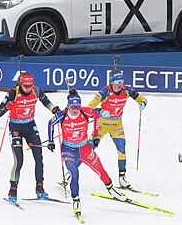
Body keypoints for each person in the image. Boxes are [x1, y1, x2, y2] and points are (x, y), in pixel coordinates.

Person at [47, 89, 128, 217]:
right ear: (68, 106)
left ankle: (111, 189)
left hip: (85, 148)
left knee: (100, 170)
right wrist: (51, 141)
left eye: (78, 106)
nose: (75, 109)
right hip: (69, 150)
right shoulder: (62, 115)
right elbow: (50, 123)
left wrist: (96, 135)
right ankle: (76, 200)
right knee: (74, 173)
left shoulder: (84, 112)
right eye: (73, 107)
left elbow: (96, 114)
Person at [0, 72, 59, 202]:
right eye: (25, 86)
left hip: (30, 127)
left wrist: (54, 109)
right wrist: (7, 107)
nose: (28, 88)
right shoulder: (13, 93)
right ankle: (12, 190)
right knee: (19, 160)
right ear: (20, 84)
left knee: (38, 157)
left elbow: (46, 101)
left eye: (30, 85)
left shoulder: (36, 90)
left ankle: (40, 189)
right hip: (16, 128)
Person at [86, 69, 147, 188]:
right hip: (102, 124)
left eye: (121, 81)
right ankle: (69, 175)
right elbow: (89, 108)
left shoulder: (127, 90)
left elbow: (142, 99)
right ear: (111, 82)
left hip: (117, 125)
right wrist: (101, 111)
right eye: (117, 81)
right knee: (88, 149)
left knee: (121, 149)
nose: (120, 84)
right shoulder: (105, 92)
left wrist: (142, 103)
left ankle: (122, 177)